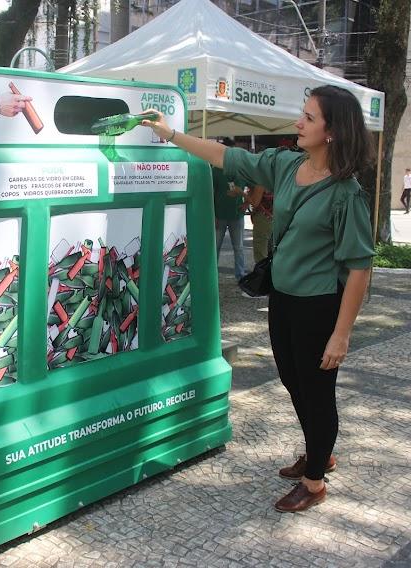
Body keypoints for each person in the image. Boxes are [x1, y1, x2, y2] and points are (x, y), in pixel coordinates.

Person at [141, 85, 374, 513]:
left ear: (333, 131)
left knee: (318, 392)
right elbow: (225, 156)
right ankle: (319, 451)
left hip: (319, 306)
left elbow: (360, 268)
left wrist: (341, 335)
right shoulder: (287, 166)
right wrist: (169, 133)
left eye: (308, 117)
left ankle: (315, 480)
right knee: (291, 379)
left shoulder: (347, 195)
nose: (298, 123)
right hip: (283, 298)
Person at [212, 147, 247, 281]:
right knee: (215, 248)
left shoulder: (242, 171)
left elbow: (256, 187)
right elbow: (211, 192)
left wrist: (245, 203)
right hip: (219, 215)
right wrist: (213, 213)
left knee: (239, 248)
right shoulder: (216, 170)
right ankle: (212, 275)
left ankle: (241, 276)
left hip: (237, 215)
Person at [245, 184, 274, 263]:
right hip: (274, 217)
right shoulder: (276, 177)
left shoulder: (261, 181)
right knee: (271, 251)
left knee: (260, 254)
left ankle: (262, 274)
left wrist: (242, 193)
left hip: (263, 218)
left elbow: (255, 202)